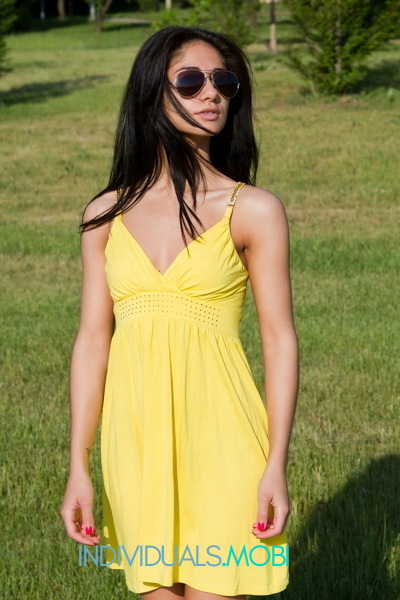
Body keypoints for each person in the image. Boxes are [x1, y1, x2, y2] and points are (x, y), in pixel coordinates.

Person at [60, 25, 299, 600]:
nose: (212, 93)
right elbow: (92, 340)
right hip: (135, 444)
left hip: (225, 441)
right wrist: (78, 465)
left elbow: (279, 341)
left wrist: (276, 464)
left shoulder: (253, 210)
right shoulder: (104, 215)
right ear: (152, 93)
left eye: (224, 82)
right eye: (190, 81)